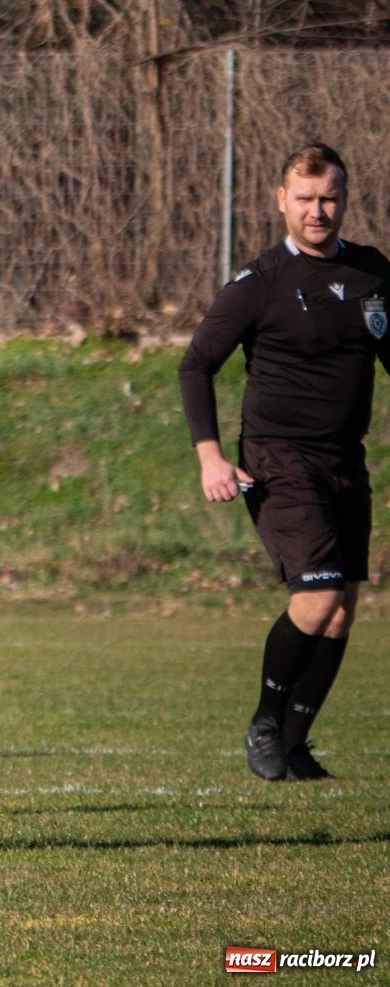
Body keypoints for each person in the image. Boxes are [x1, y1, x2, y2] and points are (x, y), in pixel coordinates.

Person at [179, 141, 390, 782]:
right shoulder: (258, 284)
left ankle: (295, 745)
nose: (318, 210)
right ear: (282, 201)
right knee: (317, 594)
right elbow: (196, 366)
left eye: (329, 197)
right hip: (277, 460)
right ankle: (267, 722)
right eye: (305, 198)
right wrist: (210, 457)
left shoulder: (373, 274)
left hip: (343, 462)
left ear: (344, 199)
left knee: (343, 606)